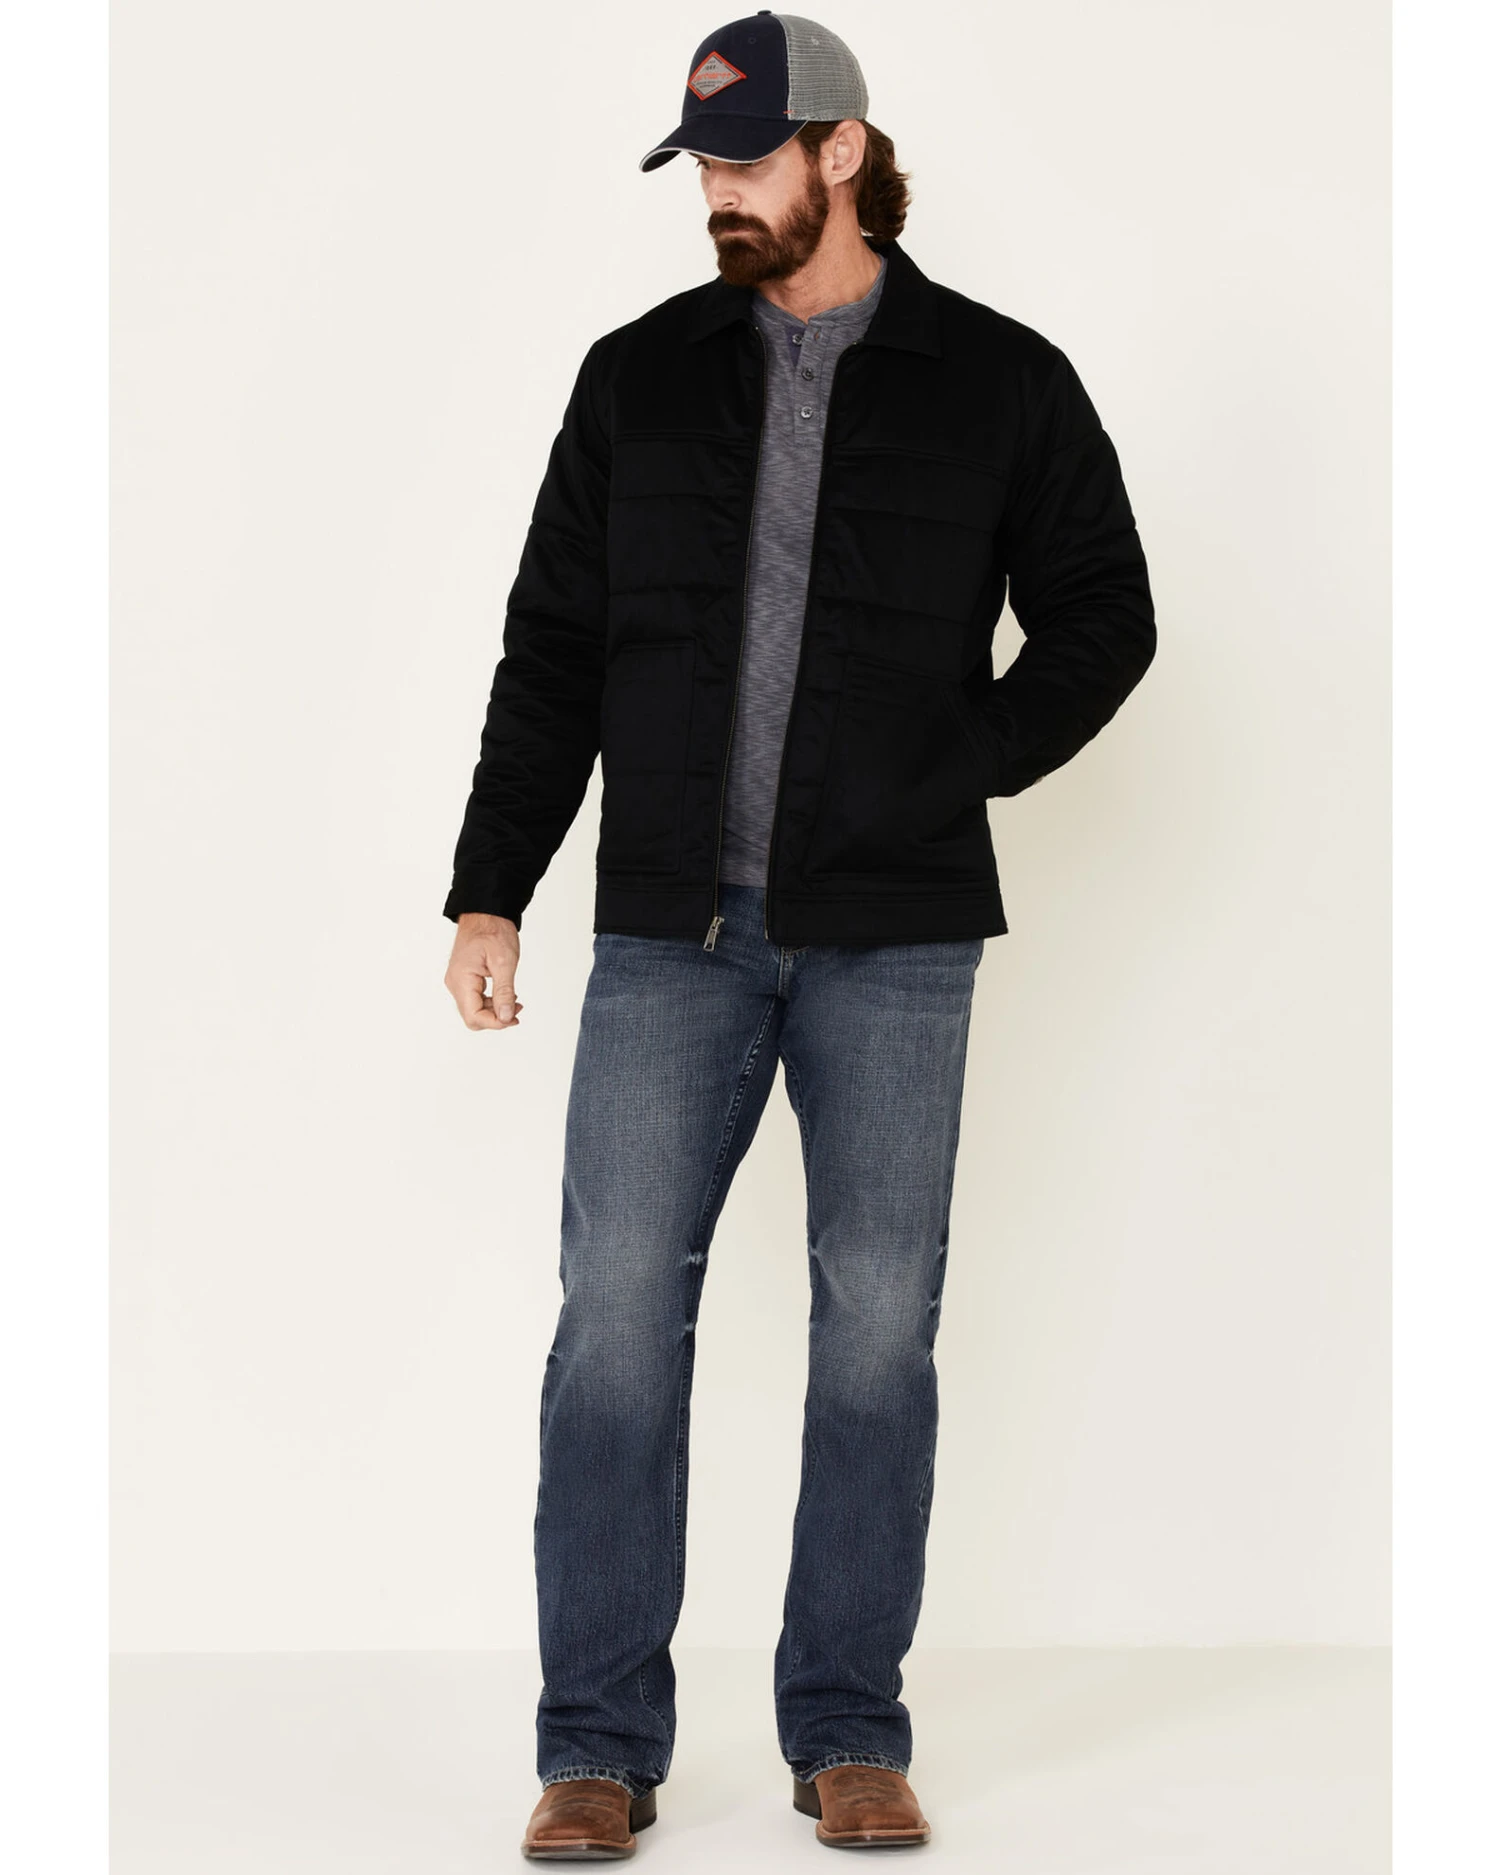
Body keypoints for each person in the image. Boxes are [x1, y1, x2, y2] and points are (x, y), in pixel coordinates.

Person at [441, 12, 1156, 1859]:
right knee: (614, 1322)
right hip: (669, 931)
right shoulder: (637, 379)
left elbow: (1105, 612)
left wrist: (958, 764)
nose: (719, 194)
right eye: (702, 163)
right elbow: (551, 646)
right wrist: (491, 882)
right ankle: (598, 1746)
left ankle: (847, 1726)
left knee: (878, 1333)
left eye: (749, 159)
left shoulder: (1000, 381)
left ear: (844, 152)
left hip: (896, 939)